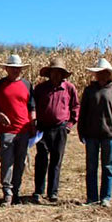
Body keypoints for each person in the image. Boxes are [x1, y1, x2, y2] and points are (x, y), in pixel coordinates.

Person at [78, 58, 112, 207]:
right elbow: (83, 113)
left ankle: (106, 197)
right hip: (91, 135)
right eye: (98, 73)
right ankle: (92, 198)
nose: (101, 75)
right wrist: (81, 131)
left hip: (108, 135)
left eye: (104, 73)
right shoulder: (89, 90)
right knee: (91, 167)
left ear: (109, 74)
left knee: (107, 167)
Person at [32, 57, 80, 204]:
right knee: (41, 160)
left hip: (60, 129)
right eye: (54, 72)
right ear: (49, 73)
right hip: (43, 129)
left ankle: (52, 192)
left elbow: (76, 107)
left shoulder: (69, 88)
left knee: (56, 161)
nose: (56, 75)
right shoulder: (40, 88)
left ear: (63, 74)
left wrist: (69, 125)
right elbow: (33, 106)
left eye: (59, 72)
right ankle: (38, 191)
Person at [0, 54, 36, 206]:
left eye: (18, 69)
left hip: (23, 129)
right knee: (6, 161)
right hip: (6, 129)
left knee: (20, 161)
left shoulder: (27, 85)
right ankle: (7, 193)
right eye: (12, 68)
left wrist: (33, 124)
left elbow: (32, 107)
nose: (15, 71)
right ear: (6, 69)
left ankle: (16, 191)